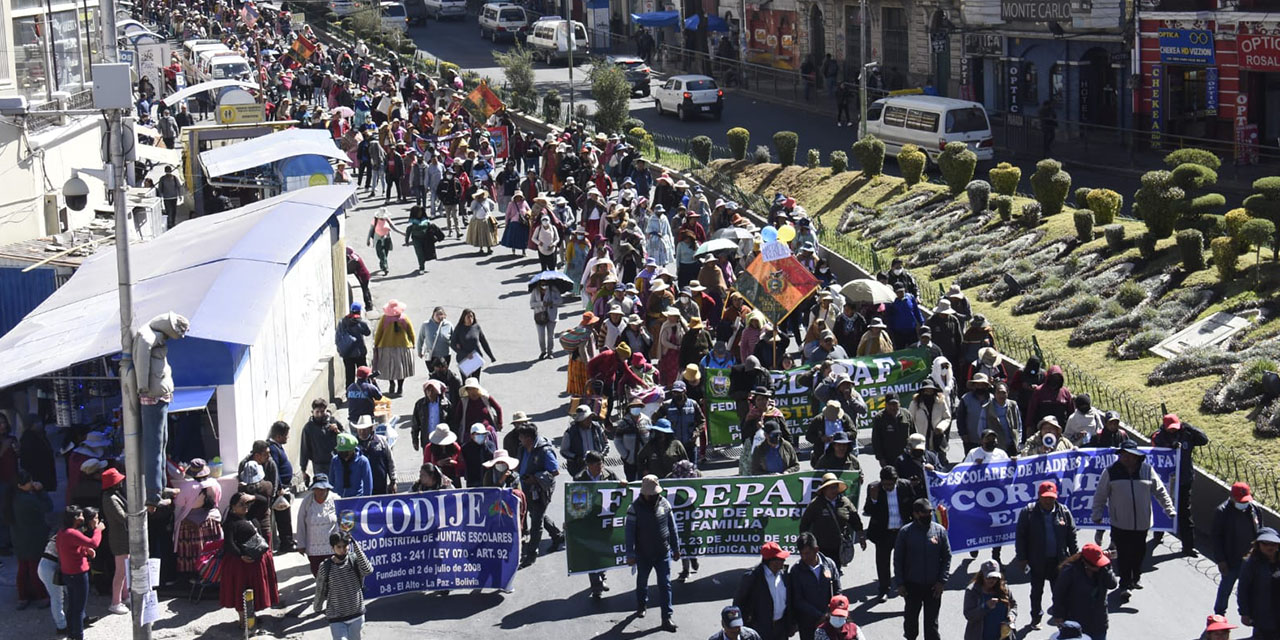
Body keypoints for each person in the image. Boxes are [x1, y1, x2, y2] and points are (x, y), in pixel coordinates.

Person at [1090, 439, 1175, 598]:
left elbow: (1160, 491)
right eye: (1123, 455)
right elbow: (1100, 495)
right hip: (1120, 523)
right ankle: (1124, 584)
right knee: (1123, 554)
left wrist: (1169, 508)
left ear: (1137, 457)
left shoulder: (1147, 471)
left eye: (1130, 456)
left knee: (1138, 553)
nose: (1126, 458)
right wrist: (1097, 515)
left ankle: (1135, 578)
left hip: (1142, 523)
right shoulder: (1110, 472)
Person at [1014, 480, 1077, 629]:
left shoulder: (1064, 512)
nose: (1048, 500)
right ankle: (1036, 617)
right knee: (1036, 591)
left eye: (1051, 497)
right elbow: (1020, 536)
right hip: (1037, 561)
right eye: (1045, 497)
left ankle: (1060, 617)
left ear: (1056, 496)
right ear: (1039, 497)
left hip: (1059, 561)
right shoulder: (1028, 512)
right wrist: (1022, 558)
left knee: (1060, 592)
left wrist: (1075, 558)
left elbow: (1071, 536)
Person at [626, 474, 680, 631]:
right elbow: (629, 533)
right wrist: (630, 554)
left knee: (665, 584)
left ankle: (666, 618)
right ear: (644, 493)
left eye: (656, 493)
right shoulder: (634, 509)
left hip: (663, 553)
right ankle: (641, 604)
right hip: (643, 555)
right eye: (652, 494)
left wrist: (676, 548)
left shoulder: (665, 504)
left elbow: (672, 527)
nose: (655, 496)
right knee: (642, 582)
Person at [1150, 413, 1209, 556]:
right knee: (1162, 507)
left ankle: (1188, 547)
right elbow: (1156, 447)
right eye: (1170, 429)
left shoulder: (1186, 434)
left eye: (1175, 428)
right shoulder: (1159, 436)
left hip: (1184, 480)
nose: (1173, 431)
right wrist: (1171, 446)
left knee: (1185, 514)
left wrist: (1191, 428)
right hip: (1166, 481)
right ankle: (1158, 535)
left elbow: (1204, 440)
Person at [895, 498, 951, 640]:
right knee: (911, 621)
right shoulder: (905, 532)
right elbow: (898, 559)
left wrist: (941, 581)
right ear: (915, 514)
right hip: (912, 585)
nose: (928, 515)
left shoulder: (939, 531)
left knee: (932, 624)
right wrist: (900, 583)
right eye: (924, 513)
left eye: (930, 512)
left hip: (933, 587)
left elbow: (946, 557)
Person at [220, 492, 278, 625]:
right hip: (241, 564)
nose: (245, 506)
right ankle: (243, 621)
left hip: (255, 561)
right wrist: (241, 556)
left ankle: (251, 617)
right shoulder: (230, 522)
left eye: (246, 503)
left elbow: (264, 502)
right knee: (242, 590)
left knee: (254, 589)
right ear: (233, 507)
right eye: (241, 504)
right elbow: (229, 544)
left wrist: (252, 497)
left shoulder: (250, 516)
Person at [575, 450, 624, 599]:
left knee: (603, 549)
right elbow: (576, 504)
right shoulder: (579, 479)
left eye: (601, 463)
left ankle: (602, 575)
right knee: (592, 552)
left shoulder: (609, 474)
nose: (600, 467)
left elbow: (620, 490)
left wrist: (622, 484)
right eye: (596, 464)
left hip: (606, 519)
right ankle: (596, 585)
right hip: (590, 521)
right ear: (588, 465)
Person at [516, 424, 564, 567]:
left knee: (536, 523)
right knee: (536, 514)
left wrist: (536, 478)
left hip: (540, 490)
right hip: (526, 489)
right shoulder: (522, 449)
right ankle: (557, 536)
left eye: (522, 437)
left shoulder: (544, 451)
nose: (519, 439)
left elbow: (554, 471)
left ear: (529, 438)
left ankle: (531, 555)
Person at [1212, 482, 1262, 616]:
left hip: (1250, 559)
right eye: (1240, 501)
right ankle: (1219, 614)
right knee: (1226, 588)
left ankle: (1252, 613)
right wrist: (1221, 560)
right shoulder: (1222, 512)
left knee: (1250, 589)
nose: (1243, 504)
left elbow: (1260, 531)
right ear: (1231, 497)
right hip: (1231, 559)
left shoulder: (1254, 509)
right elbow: (1217, 537)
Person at [1051, 543, 1118, 640]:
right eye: (1096, 565)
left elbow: (1112, 584)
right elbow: (1058, 594)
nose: (1098, 567)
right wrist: (1058, 615)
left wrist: (1107, 567)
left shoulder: (1103, 569)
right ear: (1085, 562)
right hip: (1077, 621)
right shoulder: (1070, 571)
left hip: (1098, 621)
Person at [800, 472, 864, 572]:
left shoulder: (845, 502)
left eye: (835, 487)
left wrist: (861, 536)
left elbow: (855, 519)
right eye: (831, 487)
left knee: (835, 572)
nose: (834, 490)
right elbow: (804, 524)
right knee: (823, 573)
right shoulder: (815, 504)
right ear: (824, 490)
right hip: (821, 547)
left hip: (839, 547)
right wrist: (805, 544)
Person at [314, 532, 373, 640]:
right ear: (332, 548)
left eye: (345, 546)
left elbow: (368, 570)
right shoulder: (326, 566)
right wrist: (317, 606)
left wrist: (356, 546)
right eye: (339, 547)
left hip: (356, 614)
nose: (342, 549)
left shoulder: (354, 560)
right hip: (336, 616)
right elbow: (320, 588)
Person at [57, 505, 101, 640]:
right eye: (81, 515)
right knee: (79, 609)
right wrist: (98, 530)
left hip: (67, 574)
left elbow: (71, 549)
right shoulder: (72, 533)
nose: (83, 518)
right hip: (78, 574)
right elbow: (94, 543)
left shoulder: (62, 532)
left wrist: (83, 550)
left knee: (72, 607)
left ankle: (71, 635)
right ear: (75, 518)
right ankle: (78, 636)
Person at [735, 541, 795, 640]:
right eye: (781, 559)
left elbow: (790, 600)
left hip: (781, 628)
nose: (784, 561)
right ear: (772, 562)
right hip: (759, 629)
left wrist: (792, 624)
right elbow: (739, 603)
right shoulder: (752, 577)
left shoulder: (784, 575)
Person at [10, 471, 52, 610]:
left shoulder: (12, 497)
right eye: (29, 481)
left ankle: (22, 597)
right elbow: (47, 507)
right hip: (33, 537)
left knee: (22, 567)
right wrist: (41, 491)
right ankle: (42, 596)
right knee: (35, 568)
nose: (32, 483)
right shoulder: (29, 500)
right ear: (22, 485)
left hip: (18, 537)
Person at [173, 459, 222, 576]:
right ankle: (210, 573)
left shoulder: (188, 486)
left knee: (192, 551)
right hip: (211, 520)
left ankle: (192, 574)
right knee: (211, 549)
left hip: (190, 523)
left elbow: (179, 504)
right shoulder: (215, 484)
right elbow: (218, 500)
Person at [789, 532, 842, 640]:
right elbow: (798, 600)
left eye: (807, 553)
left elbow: (838, 591)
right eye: (801, 554)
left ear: (816, 549)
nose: (804, 557)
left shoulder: (829, 564)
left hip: (829, 622)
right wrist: (819, 616)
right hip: (807, 624)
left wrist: (829, 613)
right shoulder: (796, 570)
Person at [1237, 527, 1280, 639]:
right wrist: (1244, 612)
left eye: (1274, 544)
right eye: (1266, 544)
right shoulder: (1251, 563)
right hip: (1263, 613)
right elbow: (1243, 589)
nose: (1270, 547)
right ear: (1258, 544)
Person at [652, 381, 706, 467]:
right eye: (674, 392)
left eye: (678, 392)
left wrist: (696, 432)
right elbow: (654, 418)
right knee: (674, 472)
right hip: (673, 445)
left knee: (692, 471)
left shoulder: (693, 404)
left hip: (690, 444)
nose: (676, 394)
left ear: (684, 391)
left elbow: (702, 421)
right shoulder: (666, 405)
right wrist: (663, 433)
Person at [295, 474, 338, 577]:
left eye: (323, 489)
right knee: (319, 576)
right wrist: (301, 544)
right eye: (317, 489)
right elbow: (300, 523)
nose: (320, 491)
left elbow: (345, 521)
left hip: (332, 548)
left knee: (333, 577)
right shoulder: (307, 501)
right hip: (313, 549)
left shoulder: (336, 499)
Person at [101, 468, 130, 615]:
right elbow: (122, 517)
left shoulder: (114, 495)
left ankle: (125, 596)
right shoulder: (110, 499)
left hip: (122, 538)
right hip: (119, 540)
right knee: (120, 572)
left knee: (124, 570)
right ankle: (115, 602)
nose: (122, 482)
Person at [963, 560, 1017, 640]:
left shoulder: (1004, 588)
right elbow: (969, 615)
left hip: (1002, 637)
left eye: (995, 578)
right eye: (989, 577)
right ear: (982, 576)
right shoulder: (972, 591)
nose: (992, 580)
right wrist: (986, 606)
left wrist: (1011, 615)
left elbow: (1013, 605)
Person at [372, 299, 415, 396]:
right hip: (403, 347)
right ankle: (400, 387)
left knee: (389, 367)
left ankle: (391, 383)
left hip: (386, 346)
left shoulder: (384, 319)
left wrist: (376, 344)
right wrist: (413, 343)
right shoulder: (404, 318)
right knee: (401, 369)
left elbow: (379, 333)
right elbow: (411, 332)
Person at [300, 400, 344, 487]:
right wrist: (303, 469)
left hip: (335, 462)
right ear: (312, 412)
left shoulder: (333, 421)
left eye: (322, 411)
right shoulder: (308, 428)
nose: (320, 414)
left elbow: (345, 439)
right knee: (322, 488)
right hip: (319, 465)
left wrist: (337, 432)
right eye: (317, 412)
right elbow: (304, 449)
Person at [266, 422, 295, 552]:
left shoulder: (278, 447)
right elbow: (275, 470)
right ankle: (286, 543)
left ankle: (287, 540)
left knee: (286, 516)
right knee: (283, 518)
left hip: (284, 488)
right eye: (285, 435)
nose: (287, 438)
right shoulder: (273, 448)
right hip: (280, 490)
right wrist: (279, 488)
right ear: (278, 436)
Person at [561, 406, 610, 477]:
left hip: (597, 467)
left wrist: (601, 455)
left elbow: (606, 444)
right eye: (585, 419)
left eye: (590, 417)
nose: (589, 420)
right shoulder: (570, 432)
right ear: (579, 421)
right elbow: (564, 451)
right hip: (578, 467)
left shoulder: (597, 427)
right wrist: (576, 457)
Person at [353, 416, 397, 495]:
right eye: (360, 429)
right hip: (360, 489)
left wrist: (393, 481)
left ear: (371, 429)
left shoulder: (381, 441)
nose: (362, 432)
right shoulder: (353, 445)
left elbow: (390, 461)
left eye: (365, 429)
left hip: (380, 486)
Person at [451, 308, 497, 380]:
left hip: (476, 359)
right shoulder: (459, 328)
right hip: (464, 359)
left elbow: (484, 342)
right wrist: (465, 354)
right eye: (468, 317)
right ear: (464, 318)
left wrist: (491, 356)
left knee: (475, 381)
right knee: (466, 382)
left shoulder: (476, 327)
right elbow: (452, 344)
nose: (470, 319)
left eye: (472, 316)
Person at [954, 373, 994, 453]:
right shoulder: (965, 399)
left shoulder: (992, 399)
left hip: (989, 438)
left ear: (986, 386)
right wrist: (963, 433)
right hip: (971, 438)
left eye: (982, 385)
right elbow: (960, 418)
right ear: (974, 385)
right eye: (978, 385)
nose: (980, 387)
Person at [870, 393, 913, 466]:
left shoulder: (907, 414)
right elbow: (876, 440)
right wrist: (880, 458)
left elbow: (914, 434)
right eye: (890, 404)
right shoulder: (880, 418)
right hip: (889, 458)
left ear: (899, 404)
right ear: (885, 405)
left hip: (906, 456)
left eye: (895, 404)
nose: (893, 407)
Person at [337, 303, 372, 389]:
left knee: (349, 375)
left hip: (347, 353)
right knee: (364, 374)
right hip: (359, 353)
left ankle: (350, 394)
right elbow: (367, 333)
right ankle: (365, 391)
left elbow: (338, 336)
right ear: (359, 311)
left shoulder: (342, 322)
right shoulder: (360, 322)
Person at [330, 433, 373, 499]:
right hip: (338, 498)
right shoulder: (335, 460)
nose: (343, 454)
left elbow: (368, 485)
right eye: (340, 452)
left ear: (352, 450)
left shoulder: (363, 461)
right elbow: (331, 481)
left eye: (345, 452)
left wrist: (365, 501)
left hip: (356, 499)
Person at [405, 205, 446, 273]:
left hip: (426, 239)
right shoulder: (412, 222)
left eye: (421, 211)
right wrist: (407, 241)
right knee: (419, 253)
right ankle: (421, 267)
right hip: (416, 240)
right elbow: (408, 231)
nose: (420, 213)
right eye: (418, 212)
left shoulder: (426, 221)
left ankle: (422, 263)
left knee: (426, 252)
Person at [530, 280, 563, 360]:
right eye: (542, 284)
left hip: (551, 315)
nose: (544, 286)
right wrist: (541, 303)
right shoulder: (535, 291)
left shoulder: (553, 290)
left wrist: (552, 302)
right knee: (541, 335)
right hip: (540, 315)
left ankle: (550, 352)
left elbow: (560, 301)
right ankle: (543, 351)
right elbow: (532, 304)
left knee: (550, 335)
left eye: (546, 284)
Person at [366, 208, 401, 274]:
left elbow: (393, 227)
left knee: (385, 255)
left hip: (387, 239)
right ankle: (385, 268)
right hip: (378, 240)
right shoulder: (375, 220)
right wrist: (368, 240)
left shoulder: (387, 219)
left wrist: (402, 233)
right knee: (381, 254)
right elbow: (371, 230)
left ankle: (383, 265)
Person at [467, 191, 499, 255]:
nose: (480, 196)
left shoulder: (487, 200)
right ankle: (481, 248)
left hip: (486, 219)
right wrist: (476, 201)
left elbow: (493, 205)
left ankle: (489, 248)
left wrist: (489, 212)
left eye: (481, 194)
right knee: (479, 234)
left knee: (488, 235)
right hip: (477, 220)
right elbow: (472, 208)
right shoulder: (475, 202)